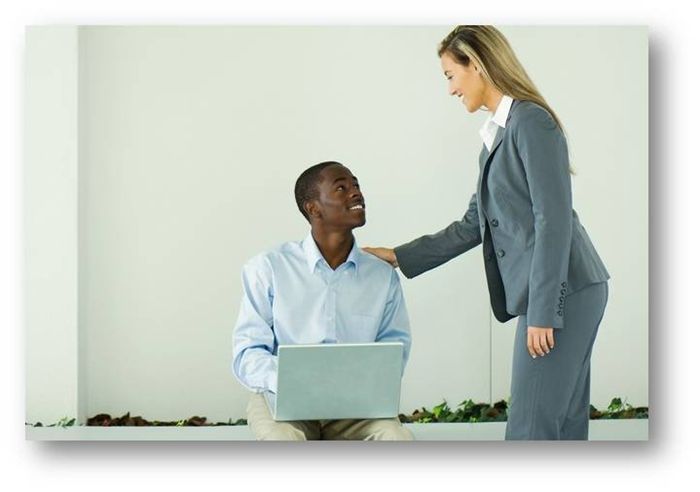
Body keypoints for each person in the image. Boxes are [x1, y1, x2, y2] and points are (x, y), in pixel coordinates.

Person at [363, 26, 610, 440]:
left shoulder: (530, 122)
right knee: (561, 427)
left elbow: (553, 220)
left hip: (563, 290)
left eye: (450, 75)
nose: (450, 89)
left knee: (531, 429)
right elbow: (472, 225)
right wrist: (399, 255)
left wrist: (544, 312)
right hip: (562, 288)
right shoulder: (496, 137)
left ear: (476, 65)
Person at [232, 161, 413, 441]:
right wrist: (292, 381)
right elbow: (247, 352)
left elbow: (395, 349)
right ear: (313, 208)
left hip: (355, 405)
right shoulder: (268, 268)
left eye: (356, 185)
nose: (356, 192)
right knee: (281, 440)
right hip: (282, 400)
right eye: (341, 188)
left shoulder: (381, 275)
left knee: (395, 438)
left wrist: (361, 384)